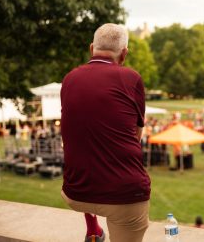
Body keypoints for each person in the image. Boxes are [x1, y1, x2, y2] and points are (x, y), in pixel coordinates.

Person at [60, 23, 150, 242]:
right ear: (124, 53)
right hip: (124, 195)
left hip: (75, 191)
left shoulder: (69, 79)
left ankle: (93, 229)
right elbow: (136, 136)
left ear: (92, 49)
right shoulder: (132, 79)